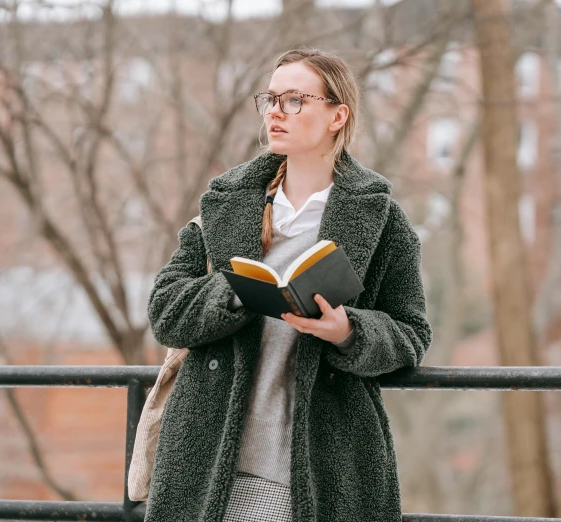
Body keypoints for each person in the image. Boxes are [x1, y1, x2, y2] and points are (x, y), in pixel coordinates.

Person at [143, 48, 433, 522]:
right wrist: (235, 289)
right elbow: (165, 311)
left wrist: (347, 331)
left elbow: (412, 333)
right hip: (209, 457)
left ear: (337, 116)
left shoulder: (383, 222)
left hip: (321, 464)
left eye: (295, 100)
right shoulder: (226, 204)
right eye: (271, 98)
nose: (275, 111)